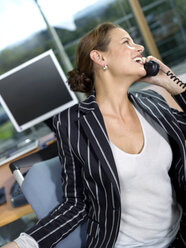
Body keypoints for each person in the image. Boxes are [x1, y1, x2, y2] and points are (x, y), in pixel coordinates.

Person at [3, 22, 186, 248]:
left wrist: (173, 84)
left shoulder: (152, 104)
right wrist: (24, 243)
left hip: (180, 235)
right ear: (100, 58)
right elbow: (75, 204)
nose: (139, 47)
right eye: (127, 42)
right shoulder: (72, 123)